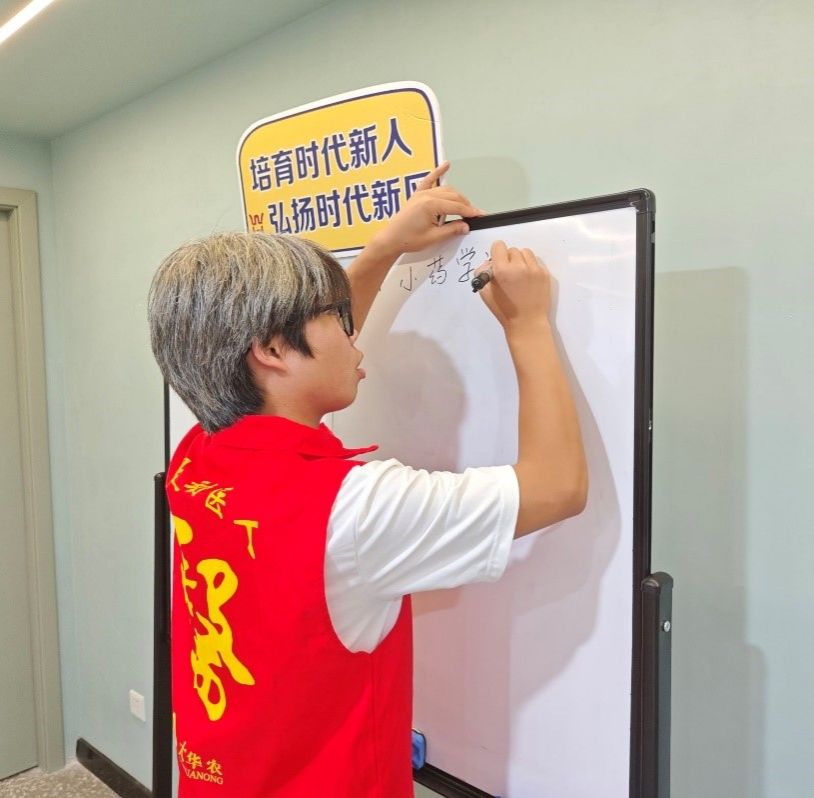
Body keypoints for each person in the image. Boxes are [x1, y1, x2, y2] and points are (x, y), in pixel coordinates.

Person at [147, 162, 587, 798]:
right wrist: (528, 324)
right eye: (336, 318)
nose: (354, 335)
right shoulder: (353, 510)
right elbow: (558, 486)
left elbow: (292, 354)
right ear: (271, 350)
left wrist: (385, 247)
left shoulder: (198, 454)